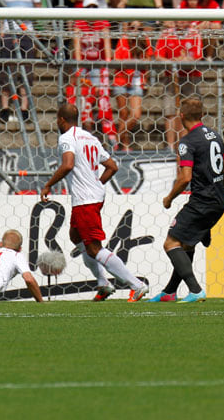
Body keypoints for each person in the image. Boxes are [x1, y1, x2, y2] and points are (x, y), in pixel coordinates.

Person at [41, 104, 149, 302]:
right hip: (92, 196)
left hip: (85, 200)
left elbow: (68, 164)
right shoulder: (90, 137)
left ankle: (136, 285)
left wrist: (48, 185)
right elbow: (112, 166)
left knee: (94, 248)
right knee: (76, 237)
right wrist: (96, 183)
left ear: (61, 120)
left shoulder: (67, 138)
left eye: (57, 119)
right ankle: (103, 283)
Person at [149, 97, 224, 303]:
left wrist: (169, 198)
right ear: (202, 115)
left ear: (182, 116)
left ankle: (195, 290)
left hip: (202, 201)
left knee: (171, 243)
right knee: (186, 245)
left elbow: (185, 177)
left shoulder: (187, 141)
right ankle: (169, 291)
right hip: (219, 199)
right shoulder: (215, 135)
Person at [69, 0, 116, 148]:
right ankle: (85, 131)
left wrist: (107, 66)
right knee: (84, 97)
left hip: (98, 63)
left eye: (94, 7)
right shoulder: (79, 23)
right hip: (84, 63)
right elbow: (76, 48)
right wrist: (79, 68)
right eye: (88, 7)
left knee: (103, 97)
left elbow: (107, 46)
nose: (91, 10)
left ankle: (109, 134)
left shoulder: (102, 22)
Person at [0, 0, 41, 122]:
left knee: (27, 71)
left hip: (26, 33)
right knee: (6, 71)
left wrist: (35, 32)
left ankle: (24, 109)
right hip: (9, 32)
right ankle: (5, 108)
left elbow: (38, 10)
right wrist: (2, 31)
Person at [156, 19, 203, 150]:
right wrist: (172, 62)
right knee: (170, 110)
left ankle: (184, 144)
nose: (180, 22)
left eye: (183, 19)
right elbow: (158, 56)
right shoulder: (167, 34)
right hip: (171, 77)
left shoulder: (194, 34)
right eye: (178, 19)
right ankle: (170, 146)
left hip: (191, 77)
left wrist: (184, 61)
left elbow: (198, 56)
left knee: (188, 111)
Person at [112, 33, 152, 151]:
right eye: (132, 27)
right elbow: (117, 59)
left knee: (135, 115)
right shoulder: (123, 40)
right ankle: (125, 145)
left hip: (136, 81)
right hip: (121, 79)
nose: (135, 31)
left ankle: (116, 138)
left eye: (137, 28)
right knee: (123, 114)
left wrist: (145, 76)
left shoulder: (145, 40)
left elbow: (148, 60)